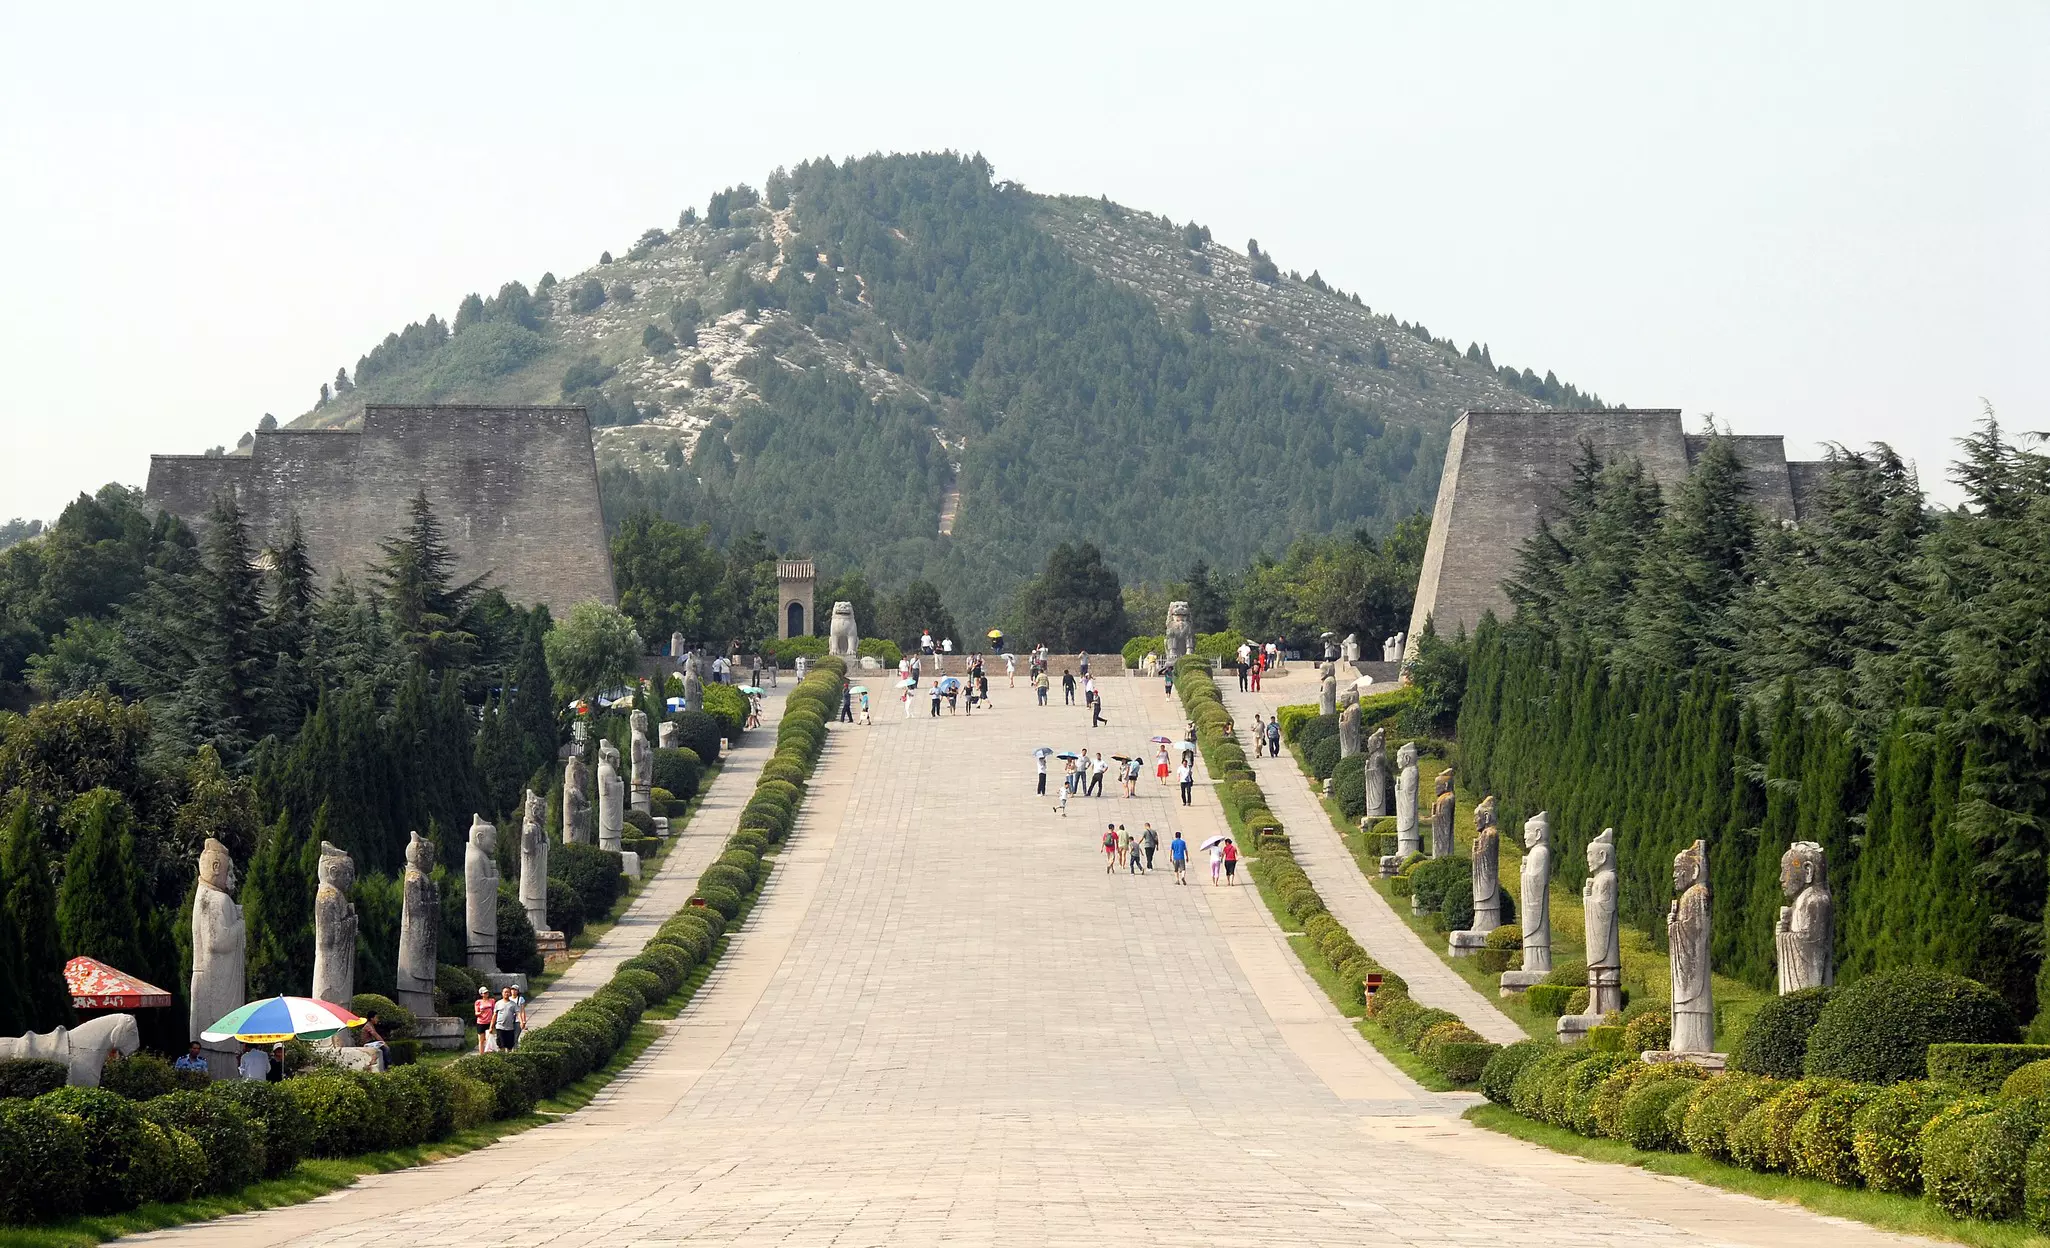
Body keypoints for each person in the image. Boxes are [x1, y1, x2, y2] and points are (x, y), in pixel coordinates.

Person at [494, 985, 526, 1052]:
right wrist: (491, 1026)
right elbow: (494, 1015)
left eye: (515, 990)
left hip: (512, 1024)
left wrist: (522, 1021)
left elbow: (520, 1012)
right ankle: (503, 1059)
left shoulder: (516, 1002)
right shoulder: (498, 1003)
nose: (513, 991)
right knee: (501, 1045)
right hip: (500, 1026)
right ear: (502, 993)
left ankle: (514, 1052)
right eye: (505, 992)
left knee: (513, 1040)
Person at [474, 986, 497, 1053]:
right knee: (481, 1040)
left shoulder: (492, 1001)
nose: (486, 994)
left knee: (489, 1038)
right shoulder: (478, 1002)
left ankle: (489, 1053)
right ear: (481, 994)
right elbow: (476, 1013)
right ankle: (481, 1054)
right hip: (481, 1022)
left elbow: (494, 1011)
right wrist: (480, 1012)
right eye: (484, 993)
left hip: (489, 1022)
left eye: (487, 992)